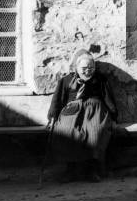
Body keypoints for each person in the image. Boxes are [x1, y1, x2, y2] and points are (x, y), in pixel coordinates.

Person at [47, 49, 118, 182]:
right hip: (72, 111)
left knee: (95, 132)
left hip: (94, 110)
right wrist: (52, 117)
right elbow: (57, 100)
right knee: (66, 131)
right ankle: (71, 170)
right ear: (76, 67)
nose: (88, 71)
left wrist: (114, 117)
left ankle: (91, 170)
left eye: (91, 67)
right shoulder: (66, 80)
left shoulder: (100, 79)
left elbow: (108, 99)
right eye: (84, 68)